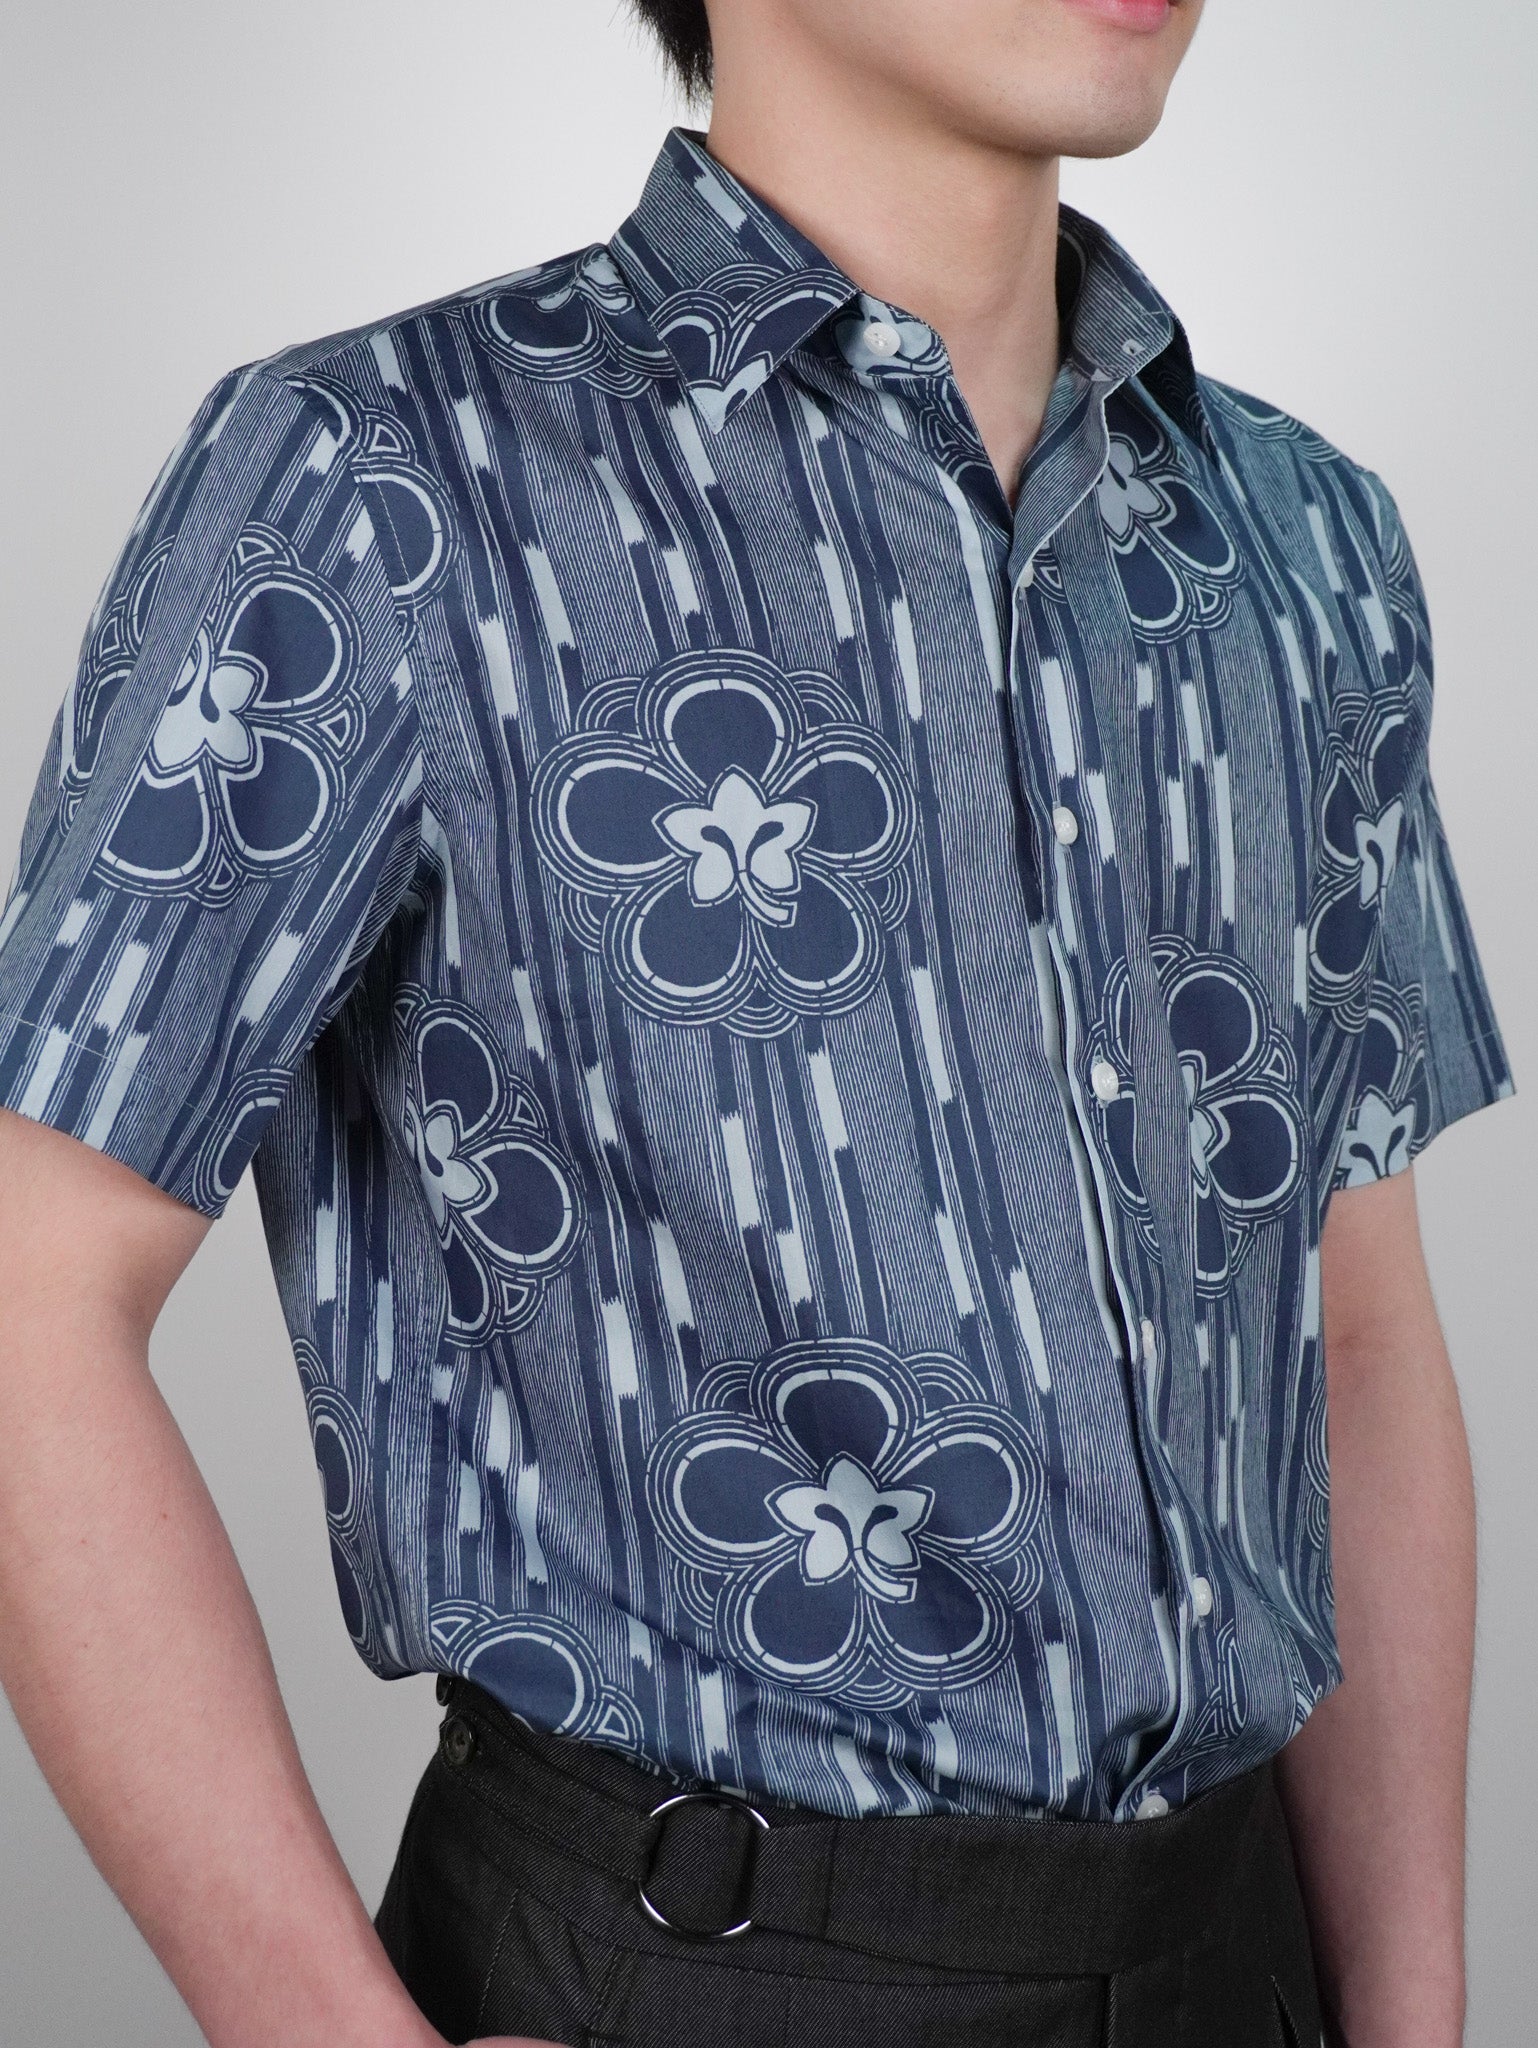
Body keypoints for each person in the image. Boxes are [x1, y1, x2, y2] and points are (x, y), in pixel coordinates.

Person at [0, 0, 1514, 2043]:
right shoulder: (384, 477)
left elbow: (1360, 1332)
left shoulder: (1303, 543)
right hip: (690, 1964)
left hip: (1233, 1953)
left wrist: (1409, 2010)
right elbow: (29, 1294)